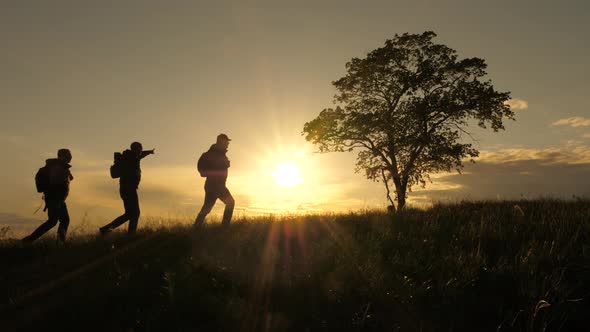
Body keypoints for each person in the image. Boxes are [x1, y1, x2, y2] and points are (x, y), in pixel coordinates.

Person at [99, 142, 154, 235]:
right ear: (136, 149)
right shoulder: (131, 158)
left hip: (127, 189)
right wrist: (147, 152)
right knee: (135, 213)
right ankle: (128, 234)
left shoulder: (131, 157)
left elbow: (141, 155)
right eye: (140, 148)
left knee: (130, 214)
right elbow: (139, 156)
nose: (141, 151)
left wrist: (149, 152)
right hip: (129, 189)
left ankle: (107, 229)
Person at [23, 149, 74, 243]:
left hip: (58, 199)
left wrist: (67, 176)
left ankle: (59, 242)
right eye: (68, 156)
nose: (69, 158)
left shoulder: (61, 167)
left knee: (61, 221)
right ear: (61, 156)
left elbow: (65, 179)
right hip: (55, 199)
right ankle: (28, 240)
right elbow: (55, 182)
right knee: (54, 221)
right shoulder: (58, 167)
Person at [195, 134, 235, 226]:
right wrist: (222, 165)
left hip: (212, 185)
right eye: (226, 141)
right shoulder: (213, 154)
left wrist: (224, 164)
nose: (228, 144)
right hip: (217, 185)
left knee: (206, 208)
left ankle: (196, 227)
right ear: (221, 141)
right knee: (230, 203)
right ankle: (224, 228)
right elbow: (203, 171)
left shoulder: (218, 154)